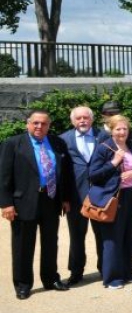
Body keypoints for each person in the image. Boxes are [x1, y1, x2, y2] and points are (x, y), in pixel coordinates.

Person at [0, 109, 74, 300]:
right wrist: (6, 204)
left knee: (50, 243)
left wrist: (65, 198)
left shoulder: (57, 143)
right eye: (36, 123)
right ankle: (23, 284)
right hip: (23, 202)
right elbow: (3, 177)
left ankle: (50, 279)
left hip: (51, 200)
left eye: (44, 123)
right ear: (28, 123)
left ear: (49, 125)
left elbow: (64, 173)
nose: (39, 126)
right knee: (23, 245)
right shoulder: (13, 144)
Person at [88, 115, 132, 289]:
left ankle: (127, 272)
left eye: (125, 129)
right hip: (114, 197)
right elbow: (93, 175)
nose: (122, 132)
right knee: (112, 238)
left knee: (129, 236)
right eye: (118, 129)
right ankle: (112, 278)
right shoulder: (103, 149)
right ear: (111, 130)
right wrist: (114, 162)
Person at [60, 105, 103, 286]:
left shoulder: (103, 136)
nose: (83, 121)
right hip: (75, 197)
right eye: (78, 118)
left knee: (103, 235)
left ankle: (105, 268)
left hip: (100, 196)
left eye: (86, 117)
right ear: (73, 121)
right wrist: (63, 198)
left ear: (92, 119)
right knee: (76, 236)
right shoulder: (63, 139)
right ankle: (76, 272)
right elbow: (59, 172)